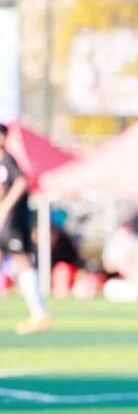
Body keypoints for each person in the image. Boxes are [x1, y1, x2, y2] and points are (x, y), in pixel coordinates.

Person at [0, 123, 50, 334]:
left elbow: (21, 182)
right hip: (5, 221)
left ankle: (39, 313)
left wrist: (5, 207)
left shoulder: (7, 161)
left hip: (13, 222)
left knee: (21, 260)